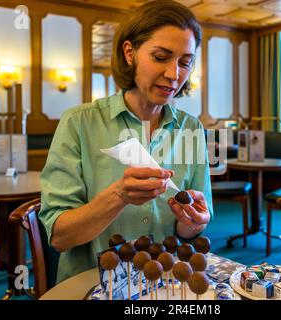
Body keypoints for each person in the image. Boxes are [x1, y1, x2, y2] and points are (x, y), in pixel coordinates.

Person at [39, 0, 213, 283]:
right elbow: (60, 237)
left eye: (185, 62)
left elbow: (190, 231)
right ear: (129, 52)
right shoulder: (78, 122)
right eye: (160, 57)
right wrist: (118, 196)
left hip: (166, 284)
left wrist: (192, 221)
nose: (174, 75)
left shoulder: (192, 128)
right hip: (91, 283)